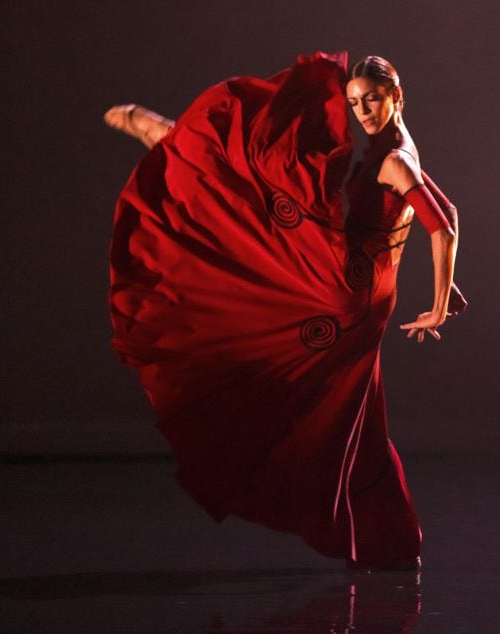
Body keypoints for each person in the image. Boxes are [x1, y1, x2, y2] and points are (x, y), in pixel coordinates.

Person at [105, 52, 466, 570]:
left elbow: (443, 227)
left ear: (397, 96)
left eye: (372, 100)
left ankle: (164, 135)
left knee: (247, 207)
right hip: (362, 287)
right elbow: (446, 209)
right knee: (356, 420)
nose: (362, 111)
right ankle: (391, 542)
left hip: (342, 291)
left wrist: (436, 304)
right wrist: (446, 287)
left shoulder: (393, 160)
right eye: (355, 102)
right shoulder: (398, 148)